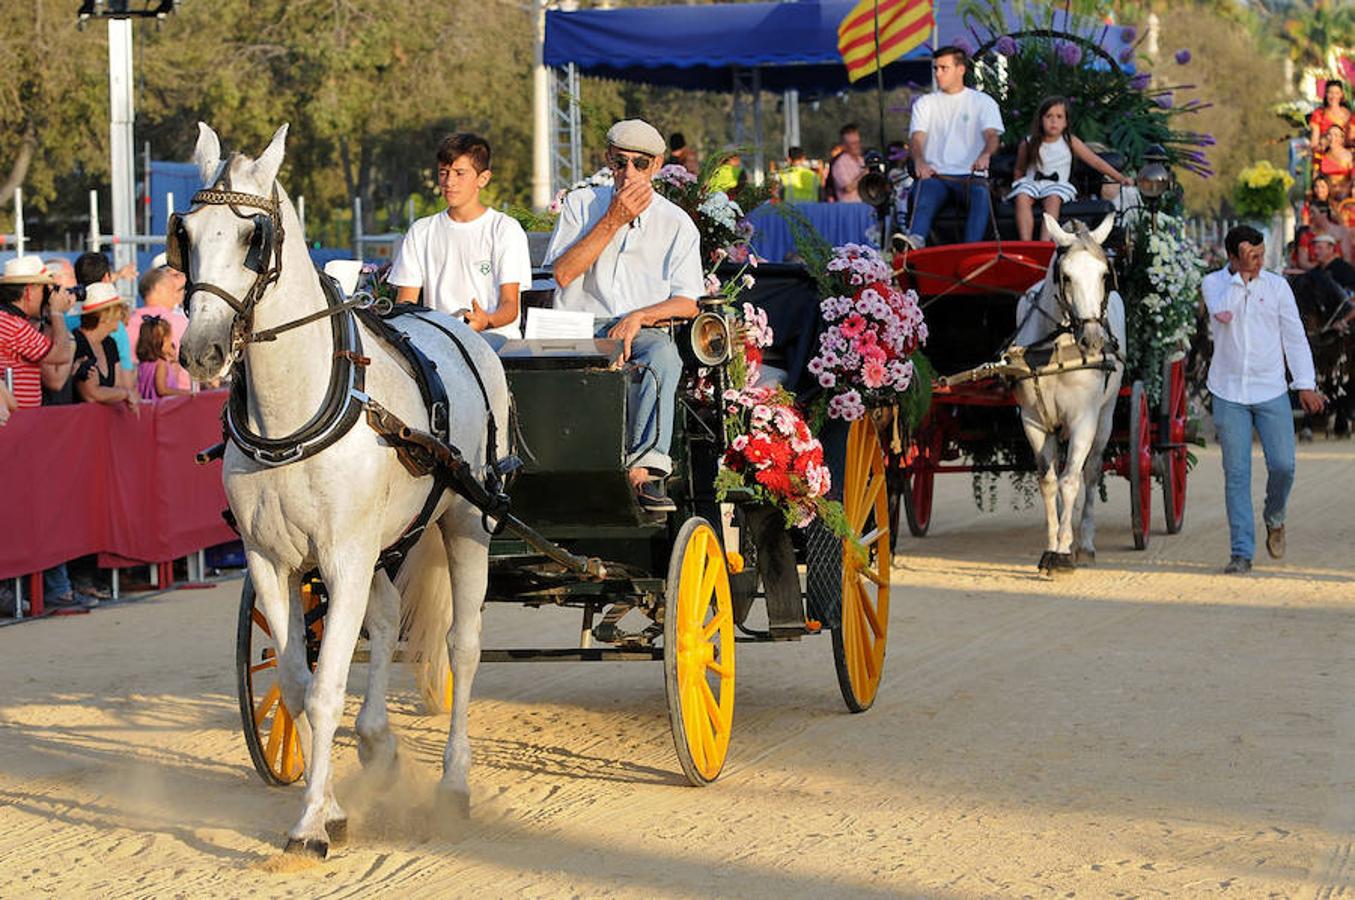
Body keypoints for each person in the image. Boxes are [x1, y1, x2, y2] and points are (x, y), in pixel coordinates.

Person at [545, 118, 703, 512]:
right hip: (577, 327)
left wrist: (640, 316)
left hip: (638, 330)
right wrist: (611, 221)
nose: (629, 173)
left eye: (640, 164)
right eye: (621, 163)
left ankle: (646, 470)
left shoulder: (676, 223)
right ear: (608, 161)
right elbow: (563, 274)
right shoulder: (582, 206)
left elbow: (688, 302)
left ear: (658, 166)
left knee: (663, 354)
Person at [1202, 225, 1324, 574]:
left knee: (1284, 466)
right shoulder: (1214, 285)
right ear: (1232, 258)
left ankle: (1275, 516)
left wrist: (1305, 384)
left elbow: (1295, 337)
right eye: (1250, 255)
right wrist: (1239, 279)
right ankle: (1241, 551)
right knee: (1236, 474)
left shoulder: (1278, 286)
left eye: (1260, 253)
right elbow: (1223, 315)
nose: (1258, 261)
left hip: (1271, 389)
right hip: (1229, 391)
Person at [389, 132, 532, 349]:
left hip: (494, 342)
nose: (449, 182)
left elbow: (510, 306)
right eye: (444, 173)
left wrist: (486, 321)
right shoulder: (421, 231)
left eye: (460, 173)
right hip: (438, 344)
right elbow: (405, 304)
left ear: (482, 179)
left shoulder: (505, 229)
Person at [899, 46, 1004, 248]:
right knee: (923, 192)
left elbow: (992, 136)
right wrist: (919, 161)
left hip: (971, 177)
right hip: (936, 176)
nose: (938, 73)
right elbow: (917, 138)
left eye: (943, 68)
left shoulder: (982, 102)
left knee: (981, 195)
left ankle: (969, 250)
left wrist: (985, 154)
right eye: (936, 68)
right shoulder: (925, 103)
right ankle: (914, 242)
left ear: (961, 69)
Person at [1007, 96, 1133, 241]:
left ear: (1066, 122)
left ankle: (1045, 243)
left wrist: (1120, 178)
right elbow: (1019, 168)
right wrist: (1017, 184)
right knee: (1022, 197)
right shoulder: (1029, 142)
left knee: (1053, 199)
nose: (1054, 121)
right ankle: (1026, 243)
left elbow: (1095, 161)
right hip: (1032, 182)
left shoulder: (1069, 141)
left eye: (1059, 117)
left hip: (1057, 184)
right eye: (1049, 116)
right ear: (1041, 120)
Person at [0, 256, 76, 411]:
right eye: (43, 289)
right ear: (29, 291)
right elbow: (61, 355)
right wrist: (57, 312)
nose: (46, 296)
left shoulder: (11, 321)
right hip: (15, 423)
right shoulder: (13, 325)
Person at [72, 282, 140, 413]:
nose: (121, 315)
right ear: (104, 315)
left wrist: (119, 393)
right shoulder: (78, 342)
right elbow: (90, 394)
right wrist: (125, 394)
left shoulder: (109, 344)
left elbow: (118, 385)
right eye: (117, 310)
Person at [74, 251, 136, 393]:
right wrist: (126, 394)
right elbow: (126, 382)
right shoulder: (116, 328)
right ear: (107, 277)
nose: (118, 315)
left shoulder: (62, 319)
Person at [127, 265, 190, 390]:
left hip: (137, 395)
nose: (177, 296)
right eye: (173, 289)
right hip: (179, 396)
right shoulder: (180, 323)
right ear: (158, 289)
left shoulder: (126, 324)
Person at [135, 315, 192, 400]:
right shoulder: (161, 364)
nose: (171, 343)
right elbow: (162, 390)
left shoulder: (144, 364)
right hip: (161, 409)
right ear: (160, 342)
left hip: (146, 408)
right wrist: (187, 393)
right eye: (169, 340)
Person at [1309, 80, 1352, 152]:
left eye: (1337, 93)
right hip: (1326, 152)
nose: (1333, 96)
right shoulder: (1319, 114)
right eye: (1330, 93)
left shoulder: (1349, 114)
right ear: (1326, 94)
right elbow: (1314, 143)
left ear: (1342, 94)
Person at [827, 124, 865, 203]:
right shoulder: (839, 164)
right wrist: (863, 174)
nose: (857, 146)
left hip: (863, 207)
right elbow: (848, 188)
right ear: (844, 146)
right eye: (853, 144)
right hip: (849, 209)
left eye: (858, 142)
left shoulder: (862, 160)